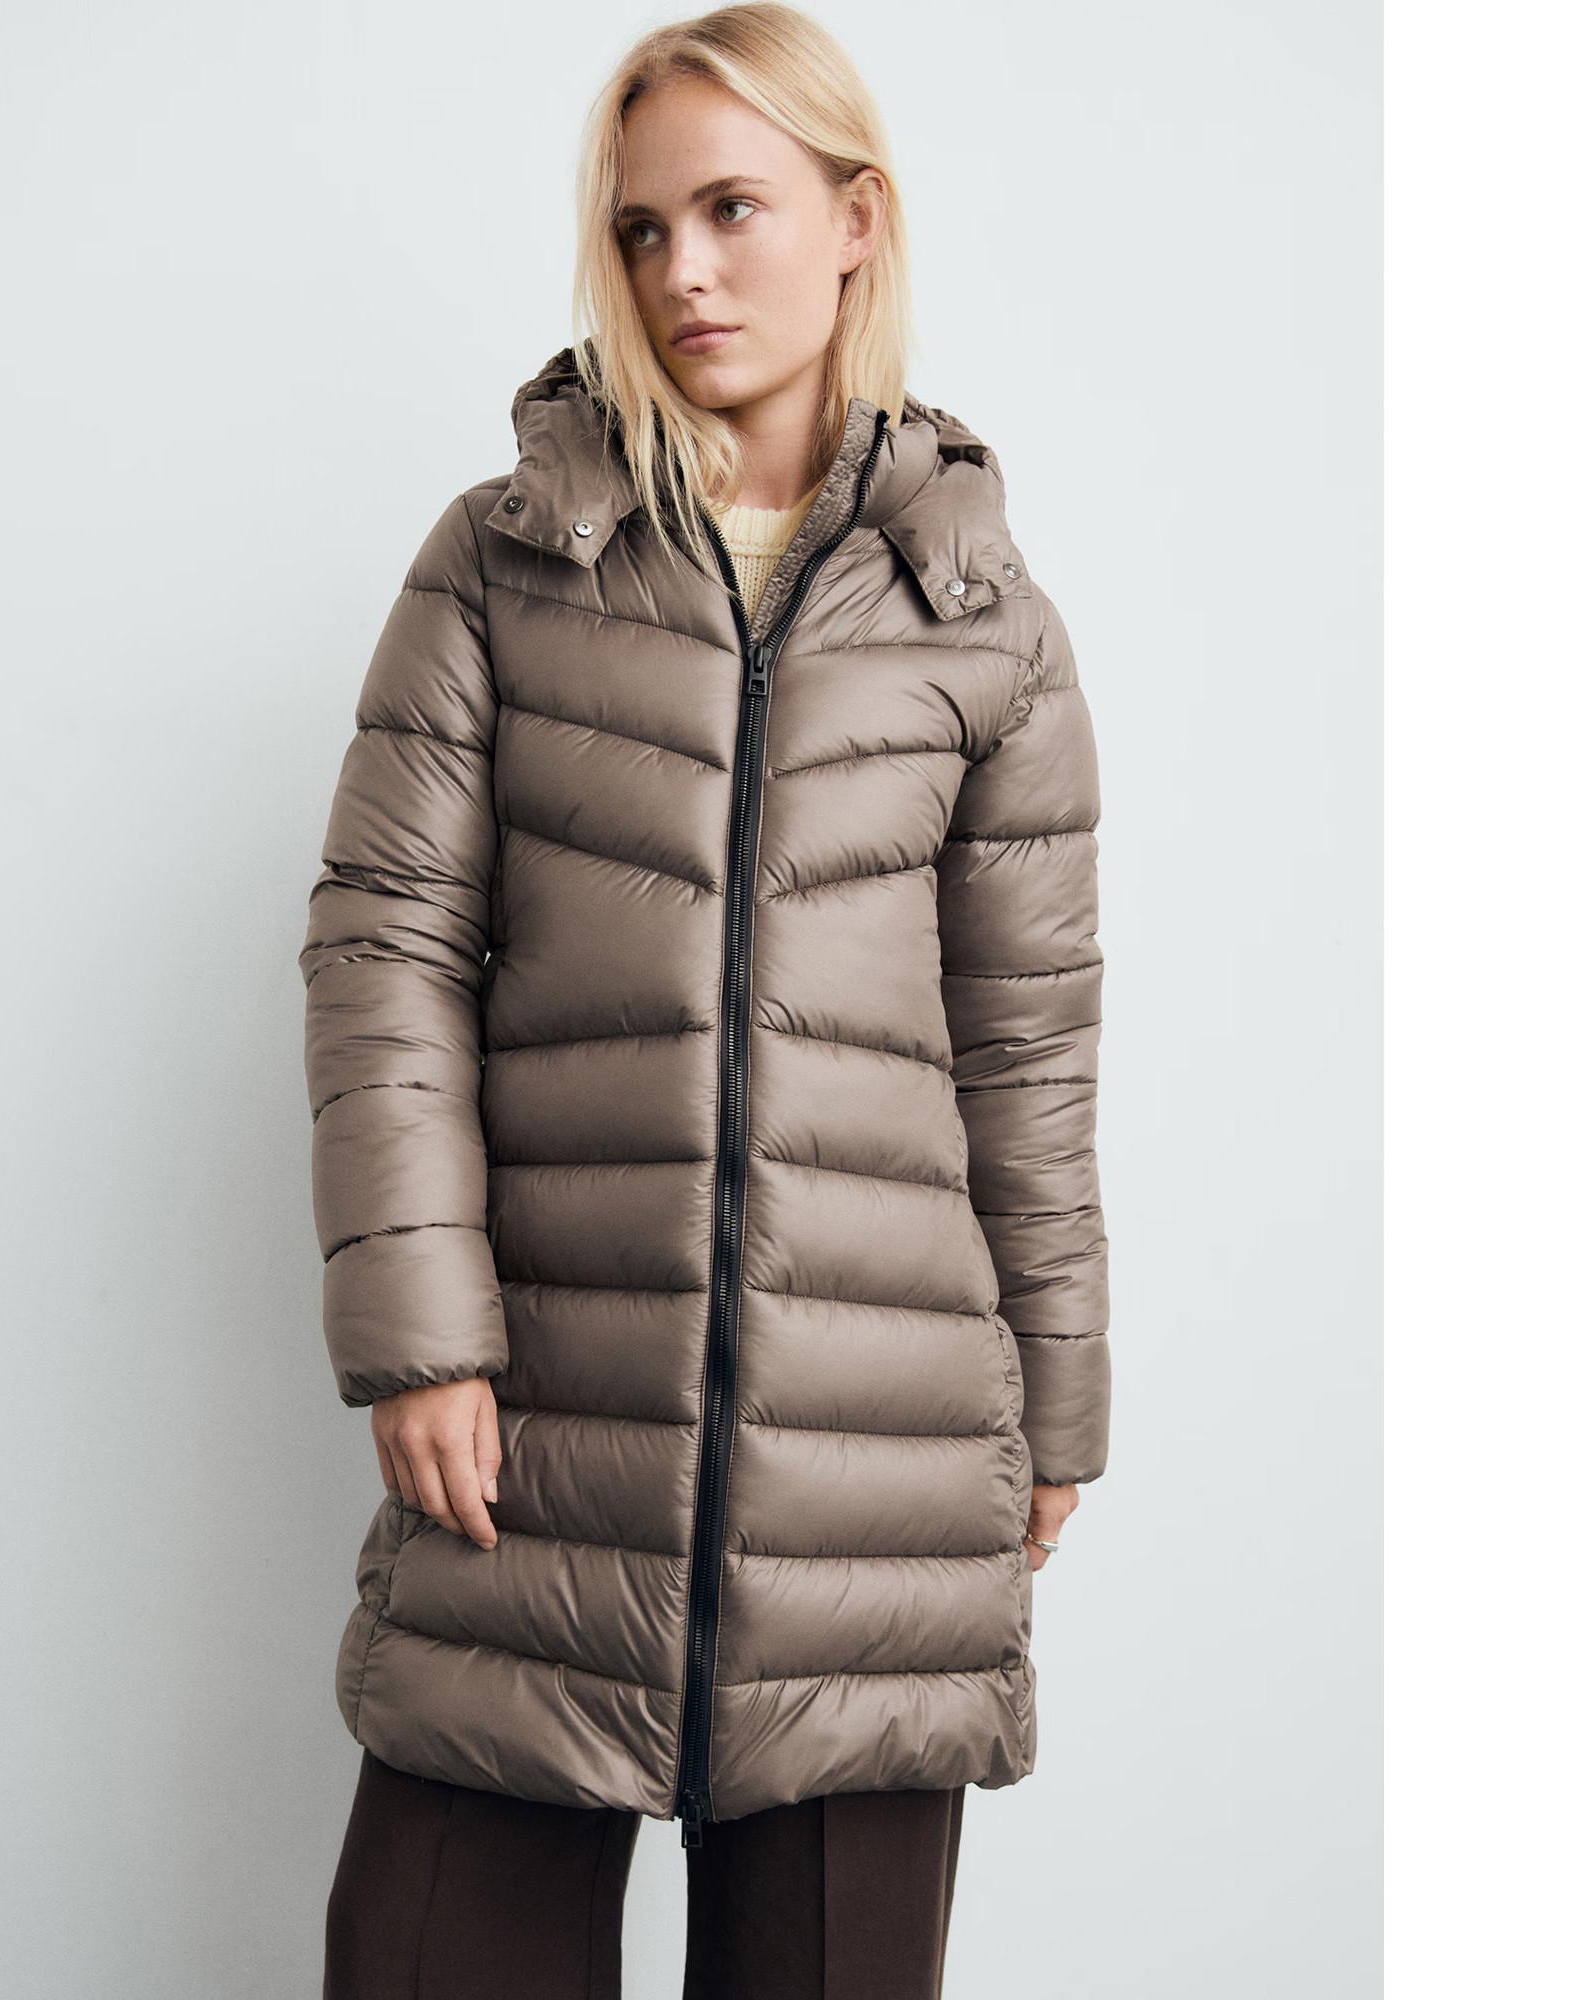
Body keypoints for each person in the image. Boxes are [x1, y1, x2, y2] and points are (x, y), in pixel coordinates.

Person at [299, 7, 1110, 1994]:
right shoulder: (505, 564)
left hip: (878, 1460)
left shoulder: (981, 618)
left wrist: (1061, 1405)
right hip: (541, 1432)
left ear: (856, 222)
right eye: (642, 227)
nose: (683, 272)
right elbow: (385, 947)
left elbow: (1026, 1048)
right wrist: (419, 1341)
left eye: (733, 210)